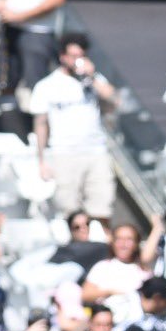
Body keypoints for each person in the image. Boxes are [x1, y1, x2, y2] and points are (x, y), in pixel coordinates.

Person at [30, 33, 117, 224]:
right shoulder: (47, 86)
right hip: (64, 152)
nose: (77, 60)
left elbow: (114, 100)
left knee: (102, 207)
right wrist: (42, 160)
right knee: (68, 210)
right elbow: (41, 124)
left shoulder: (92, 79)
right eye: (73, 55)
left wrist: (92, 76)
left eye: (81, 55)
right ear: (63, 56)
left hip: (96, 151)